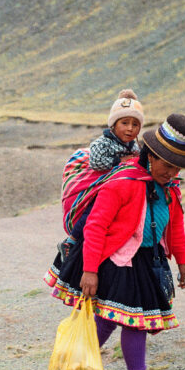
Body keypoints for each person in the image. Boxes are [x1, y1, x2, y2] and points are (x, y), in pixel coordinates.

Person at [46, 113, 185, 370]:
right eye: (168, 166)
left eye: (177, 168)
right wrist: (90, 270)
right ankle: (75, 366)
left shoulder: (170, 189)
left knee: (134, 321)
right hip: (114, 260)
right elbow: (95, 226)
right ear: (150, 156)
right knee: (107, 319)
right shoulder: (122, 182)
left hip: (146, 261)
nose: (172, 173)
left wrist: (183, 261)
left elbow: (176, 227)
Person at [58, 90, 144, 258]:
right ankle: (72, 240)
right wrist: (121, 162)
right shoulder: (102, 142)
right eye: (124, 123)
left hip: (119, 188)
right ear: (113, 124)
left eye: (135, 125)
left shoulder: (134, 146)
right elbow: (96, 163)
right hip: (99, 187)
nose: (130, 129)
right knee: (93, 208)